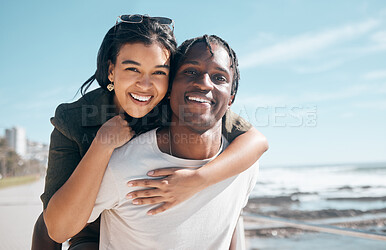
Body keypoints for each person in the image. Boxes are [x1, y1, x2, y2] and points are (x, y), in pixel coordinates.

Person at [32, 15, 268, 249]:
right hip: (88, 227)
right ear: (111, 71)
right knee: (46, 226)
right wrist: (102, 144)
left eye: (158, 72)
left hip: (141, 222)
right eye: (133, 69)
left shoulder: (179, 103)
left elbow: (256, 141)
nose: (145, 85)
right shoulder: (74, 119)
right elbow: (56, 228)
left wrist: (196, 180)